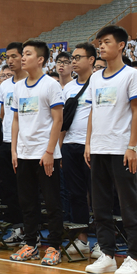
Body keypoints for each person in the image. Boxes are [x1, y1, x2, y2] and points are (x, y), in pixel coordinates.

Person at [83, 26, 137, 274]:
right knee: (100, 205)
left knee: (128, 204)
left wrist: (132, 146)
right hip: (98, 148)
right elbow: (92, 113)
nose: (101, 46)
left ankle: (134, 257)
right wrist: (88, 144)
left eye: (106, 42)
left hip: (121, 149)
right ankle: (107, 255)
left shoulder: (131, 75)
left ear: (121, 45)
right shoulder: (95, 78)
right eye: (99, 43)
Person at [9, 40, 65, 266]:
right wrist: (14, 149)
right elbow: (15, 120)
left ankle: (54, 247)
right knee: (27, 202)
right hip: (23, 154)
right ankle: (30, 244)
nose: (23, 58)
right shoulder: (19, 87)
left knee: (52, 203)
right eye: (22, 54)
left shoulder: (50, 85)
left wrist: (50, 151)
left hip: (45, 154)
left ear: (40, 59)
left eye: (28, 54)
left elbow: (58, 120)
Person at [60, 42, 96, 258]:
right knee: (76, 194)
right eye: (72, 57)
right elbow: (63, 121)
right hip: (70, 145)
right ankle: (82, 240)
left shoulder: (98, 83)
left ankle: (102, 241)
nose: (73, 61)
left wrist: (91, 144)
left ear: (91, 60)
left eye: (78, 57)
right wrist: (59, 147)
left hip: (93, 147)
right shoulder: (68, 88)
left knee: (99, 195)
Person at [0, 42, 25, 246]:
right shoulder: (5, 86)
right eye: (8, 57)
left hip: (25, 144)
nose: (10, 60)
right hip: (5, 143)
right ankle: (17, 229)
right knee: (9, 190)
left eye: (14, 56)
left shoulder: (36, 83)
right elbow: (0, 116)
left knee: (26, 190)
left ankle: (31, 231)